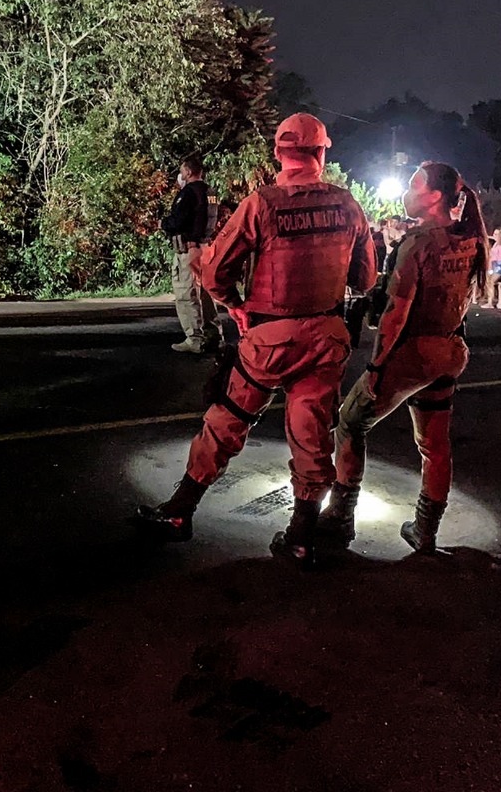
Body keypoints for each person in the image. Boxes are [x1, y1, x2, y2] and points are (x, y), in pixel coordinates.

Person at [135, 113, 376, 560]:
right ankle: (302, 536)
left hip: (269, 340)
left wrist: (237, 307)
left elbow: (215, 271)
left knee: (226, 420)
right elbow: (364, 280)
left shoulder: (260, 204)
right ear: (322, 153)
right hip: (326, 338)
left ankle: (179, 511)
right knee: (311, 432)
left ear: (278, 153)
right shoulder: (348, 206)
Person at [319, 161, 488, 554]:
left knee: (350, 421)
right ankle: (426, 530)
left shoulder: (418, 243)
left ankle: (340, 518)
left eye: (414, 185)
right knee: (434, 444)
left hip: (413, 355)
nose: (406, 193)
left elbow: (396, 313)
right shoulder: (470, 239)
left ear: (433, 197)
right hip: (449, 352)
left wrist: (377, 366)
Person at [161, 156, 222, 353]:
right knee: (205, 294)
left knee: (186, 293)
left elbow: (178, 221)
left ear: (188, 172)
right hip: (206, 247)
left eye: (182, 171)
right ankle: (214, 336)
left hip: (189, 249)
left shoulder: (188, 192)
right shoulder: (210, 192)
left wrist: (163, 224)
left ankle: (195, 339)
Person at [482, 227, 501, 310]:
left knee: (491, 282)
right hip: (496, 265)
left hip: (500, 265)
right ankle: (500, 303)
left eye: (496, 234)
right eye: (494, 234)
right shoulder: (496, 244)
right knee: (499, 285)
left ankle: (490, 302)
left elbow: (499, 255)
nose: (494, 235)